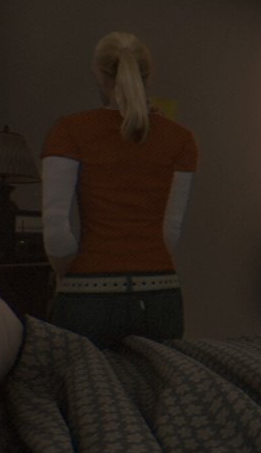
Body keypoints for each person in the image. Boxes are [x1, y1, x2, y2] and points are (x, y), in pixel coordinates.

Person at [40, 32, 198, 347]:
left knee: (84, 379)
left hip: (88, 296)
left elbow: (56, 231)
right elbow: (170, 233)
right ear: (148, 76)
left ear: (99, 74)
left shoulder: (68, 130)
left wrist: (67, 274)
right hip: (160, 295)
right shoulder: (181, 139)